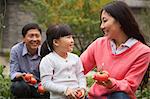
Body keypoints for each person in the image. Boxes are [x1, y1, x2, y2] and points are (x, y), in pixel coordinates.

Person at [80, 1, 150, 99]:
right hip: (94, 97)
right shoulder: (99, 43)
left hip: (118, 97)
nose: (101, 26)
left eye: (105, 21)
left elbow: (130, 85)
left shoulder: (143, 52)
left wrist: (111, 83)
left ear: (119, 21)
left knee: (120, 96)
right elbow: (78, 68)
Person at [39, 24, 86, 99]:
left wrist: (82, 88)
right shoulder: (48, 60)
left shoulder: (75, 58)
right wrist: (65, 90)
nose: (72, 41)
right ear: (56, 42)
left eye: (72, 37)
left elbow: (80, 76)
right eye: (68, 37)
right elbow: (46, 83)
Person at [10, 23, 49, 98]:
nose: (34, 39)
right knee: (19, 87)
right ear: (24, 38)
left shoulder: (45, 51)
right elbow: (13, 72)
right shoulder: (16, 50)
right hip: (24, 84)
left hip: (40, 85)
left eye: (37, 36)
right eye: (31, 36)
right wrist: (22, 75)